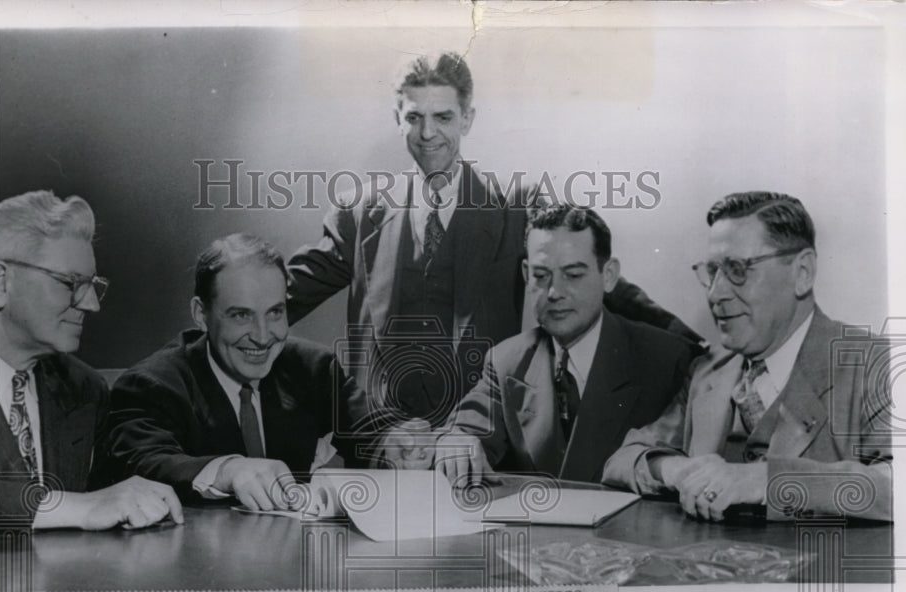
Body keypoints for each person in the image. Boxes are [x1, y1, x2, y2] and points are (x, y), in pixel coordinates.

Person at [287, 51, 701, 429]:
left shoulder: (516, 207)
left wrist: (695, 347)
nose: (428, 133)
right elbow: (278, 297)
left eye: (444, 118)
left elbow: (590, 276)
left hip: (480, 440)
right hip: (382, 444)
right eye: (414, 118)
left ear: (468, 119)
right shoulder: (358, 213)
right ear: (398, 118)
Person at [602, 191, 892, 521]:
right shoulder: (708, 371)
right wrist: (678, 471)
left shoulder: (873, 364)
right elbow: (622, 459)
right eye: (712, 272)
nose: (716, 293)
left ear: (802, 273)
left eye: (738, 269)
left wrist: (765, 480)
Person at [0, 191, 183, 532]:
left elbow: (115, 492)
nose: (91, 304)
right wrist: (78, 508)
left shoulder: (85, 389)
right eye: (72, 283)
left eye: (92, 285)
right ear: (0, 283)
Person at [105, 233, 391, 512]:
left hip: (292, 552)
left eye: (275, 312)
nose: (263, 337)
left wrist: (398, 444)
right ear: (200, 314)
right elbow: (143, 463)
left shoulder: (312, 366)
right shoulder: (152, 385)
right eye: (242, 315)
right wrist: (228, 470)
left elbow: (373, 432)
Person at [434, 204, 693, 486]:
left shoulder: (668, 360)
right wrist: (457, 440)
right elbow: (464, 428)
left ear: (608, 276)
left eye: (573, 275)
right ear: (525, 274)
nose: (555, 292)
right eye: (541, 275)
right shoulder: (506, 360)